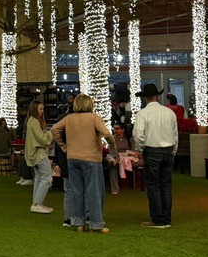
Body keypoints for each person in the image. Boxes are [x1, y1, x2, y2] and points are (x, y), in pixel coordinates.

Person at [51, 95, 116, 234]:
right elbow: (106, 134)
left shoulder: (69, 118)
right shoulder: (94, 118)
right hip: (91, 159)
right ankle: (96, 224)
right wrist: (113, 146)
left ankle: (79, 223)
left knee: (77, 192)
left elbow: (54, 129)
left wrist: (63, 146)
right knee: (94, 192)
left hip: (73, 158)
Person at [134, 83, 178, 228]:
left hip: (152, 150)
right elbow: (175, 134)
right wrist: (174, 150)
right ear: (157, 96)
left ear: (145, 98)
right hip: (168, 150)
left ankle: (158, 219)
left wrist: (140, 149)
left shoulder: (143, 114)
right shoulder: (169, 112)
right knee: (166, 185)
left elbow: (138, 135)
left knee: (153, 186)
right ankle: (166, 218)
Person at [24, 100, 54, 213]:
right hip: (38, 153)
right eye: (40, 109)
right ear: (34, 109)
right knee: (47, 177)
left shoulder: (31, 121)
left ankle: (36, 203)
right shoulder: (35, 121)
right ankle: (37, 203)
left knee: (38, 178)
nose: (42, 111)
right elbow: (42, 138)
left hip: (34, 153)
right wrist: (51, 133)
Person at [108, 123, 133, 195]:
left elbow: (133, 150)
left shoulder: (129, 138)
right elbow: (112, 150)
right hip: (116, 156)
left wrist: (126, 154)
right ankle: (115, 189)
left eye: (117, 129)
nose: (115, 130)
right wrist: (117, 157)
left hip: (128, 156)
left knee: (120, 160)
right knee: (113, 164)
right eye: (114, 129)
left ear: (123, 130)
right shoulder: (112, 138)